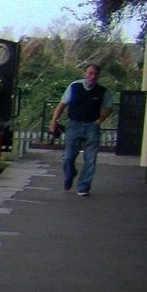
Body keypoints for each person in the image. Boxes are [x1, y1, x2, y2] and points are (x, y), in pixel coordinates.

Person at [52, 63, 107, 196]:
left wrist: (100, 120)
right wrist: (54, 121)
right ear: (85, 73)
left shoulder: (102, 91)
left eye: (95, 74)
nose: (92, 77)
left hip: (91, 126)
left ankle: (83, 187)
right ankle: (70, 174)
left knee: (90, 159)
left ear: (98, 76)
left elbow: (109, 107)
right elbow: (62, 105)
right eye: (90, 73)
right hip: (74, 124)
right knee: (68, 156)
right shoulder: (74, 87)